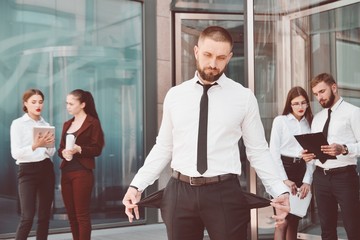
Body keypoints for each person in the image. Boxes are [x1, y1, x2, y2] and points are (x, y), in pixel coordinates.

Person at [122, 26, 290, 240]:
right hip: (179, 193)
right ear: (196, 52)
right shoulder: (175, 95)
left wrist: (278, 190)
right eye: (208, 55)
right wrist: (137, 185)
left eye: (220, 57)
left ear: (229, 58)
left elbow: (257, 150)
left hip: (224, 193)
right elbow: (164, 146)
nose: (213, 64)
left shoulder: (243, 97)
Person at [302, 73, 360, 240]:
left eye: (322, 91)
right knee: (326, 230)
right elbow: (316, 151)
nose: (319, 97)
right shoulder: (318, 119)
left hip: (345, 178)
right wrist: (309, 156)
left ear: (334, 87)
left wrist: (344, 148)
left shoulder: (353, 112)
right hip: (321, 178)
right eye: (316, 94)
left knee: (353, 228)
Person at [58, 89, 104, 240]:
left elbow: (97, 149)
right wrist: (63, 152)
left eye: (71, 103)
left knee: (82, 215)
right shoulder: (67, 124)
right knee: (71, 215)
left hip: (82, 173)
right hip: (66, 172)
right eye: (67, 103)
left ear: (82, 104)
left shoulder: (93, 123)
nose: (68, 107)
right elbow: (60, 148)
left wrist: (80, 149)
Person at [269, 86, 315, 240]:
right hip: (283, 170)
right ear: (290, 104)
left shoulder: (310, 123)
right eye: (296, 103)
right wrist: (284, 179)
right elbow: (273, 153)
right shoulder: (280, 121)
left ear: (308, 104)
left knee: (294, 220)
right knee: (282, 220)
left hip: (301, 170)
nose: (300, 107)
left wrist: (307, 181)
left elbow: (312, 155)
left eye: (303, 103)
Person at [10, 89, 56, 240]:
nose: (38, 105)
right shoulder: (17, 124)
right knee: (27, 217)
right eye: (34, 102)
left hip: (46, 169)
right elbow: (15, 153)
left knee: (44, 216)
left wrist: (48, 145)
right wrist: (35, 145)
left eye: (41, 102)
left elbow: (51, 153)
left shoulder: (46, 124)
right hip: (27, 171)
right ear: (26, 104)